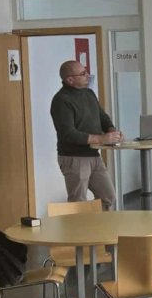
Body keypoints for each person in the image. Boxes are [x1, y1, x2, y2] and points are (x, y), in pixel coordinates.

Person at [50, 60, 120, 209]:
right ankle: (80, 232)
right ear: (70, 79)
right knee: (78, 202)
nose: (87, 75)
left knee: (108, 196)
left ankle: (100, 231)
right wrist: (101, 138)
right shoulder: (61, 100)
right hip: (74, 157)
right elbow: (68, 133)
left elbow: (102, 117)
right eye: (82, 73)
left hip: (94, 154)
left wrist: (112, 130)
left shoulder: (89, 93)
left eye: (86, 71)